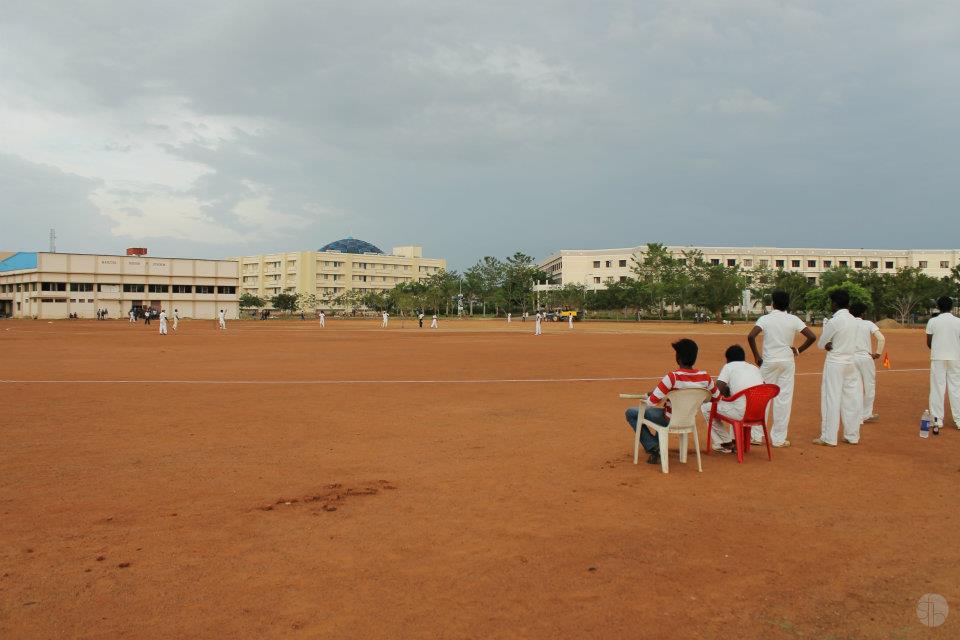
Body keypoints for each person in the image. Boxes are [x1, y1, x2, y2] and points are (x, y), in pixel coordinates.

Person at [625, 338, 719, 465]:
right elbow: (716, 397)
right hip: (689, 419)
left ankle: (653, 446)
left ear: (678, 358)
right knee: (660, 413)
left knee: (631, 413)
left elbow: (652, 402)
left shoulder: (672, 377)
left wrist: (654, 394)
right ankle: (656, 445)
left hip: (668, 419)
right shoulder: (705, 377)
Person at [746, 290, 816, 447]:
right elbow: (812, 337)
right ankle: (778, 439)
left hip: (769, 362)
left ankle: (757, 436)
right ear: (787, 304)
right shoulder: (793, 319)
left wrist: (757, 356)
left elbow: (751, 336)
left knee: (762, 397)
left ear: (773, 303)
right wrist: (798, 350)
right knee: (783, 399)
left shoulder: (765, 318)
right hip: (787, 361)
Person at [814, 289, 862, 446]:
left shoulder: (835, 321)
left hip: (835, 362)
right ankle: (852, 435)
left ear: (834, 303)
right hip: (851, 361)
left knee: (831, 398)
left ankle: (829, 437)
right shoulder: (854, 320)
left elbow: (821, 343)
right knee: (851, 399)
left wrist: (828, 344)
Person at [701, 345, 765, 453]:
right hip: (758, 413)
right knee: (736, 402)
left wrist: (726, 392)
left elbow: (717, 392)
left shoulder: (729, 367)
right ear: (743, 358)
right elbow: (764, 387)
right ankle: (735, 441)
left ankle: (725, 442)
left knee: (706, 407)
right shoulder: (754, 368)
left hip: (740, 413)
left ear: (728, 359)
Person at [926, 296, 960, 430]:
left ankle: (937, 420)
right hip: (955, 357)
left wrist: (938, 347)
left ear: (938, 307)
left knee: (937, 388)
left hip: (938, 357)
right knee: (955, 388)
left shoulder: (933, 321)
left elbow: (929, 343)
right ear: (951, 307)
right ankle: (959, 420)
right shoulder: (958, 321)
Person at [850, 302, 885, 423]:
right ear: (863, 313)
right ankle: (866, 414)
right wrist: (878, 353)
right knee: (869, 386)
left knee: (855, 387)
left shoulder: (847, 323)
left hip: (851, 358)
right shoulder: (868, 323)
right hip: (865, 358)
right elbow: (881, 338)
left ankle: (855, 415)